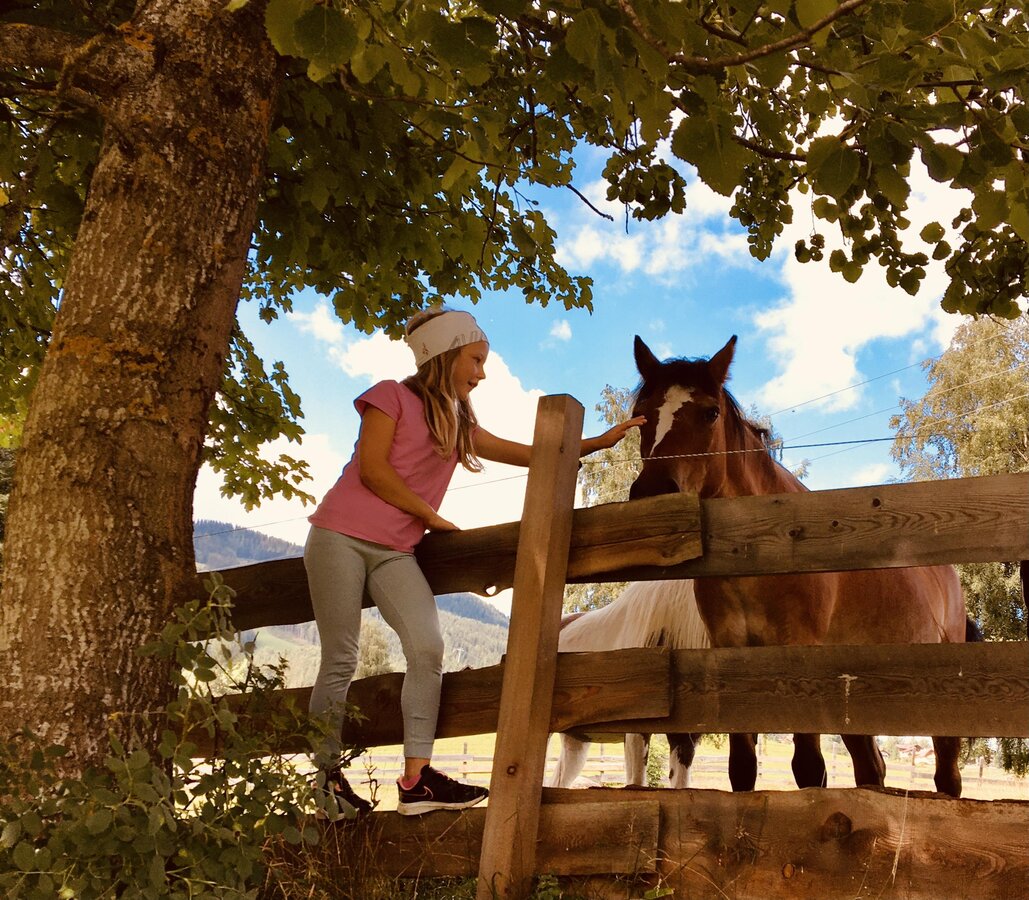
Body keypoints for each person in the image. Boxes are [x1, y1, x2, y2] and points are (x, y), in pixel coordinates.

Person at [304, 307, 644, 816]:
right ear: (444, 355)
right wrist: (430, 516)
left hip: (395, 552)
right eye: (476, 360)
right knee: (341, 657)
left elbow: (528, 452)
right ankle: (325, 781)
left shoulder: (459, 422)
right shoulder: (389, 396)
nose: (482, 374)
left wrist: (595, 442)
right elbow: (372, 470)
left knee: (428, 648)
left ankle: (416, 782)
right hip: (339, 537)